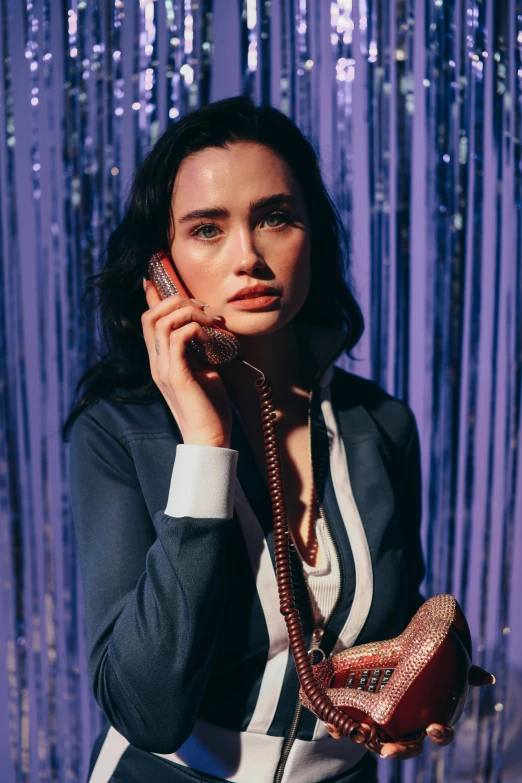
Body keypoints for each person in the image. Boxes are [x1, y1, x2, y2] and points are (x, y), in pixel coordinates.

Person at [63, 95, 455, 783]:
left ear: (312, 234)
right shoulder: (116, 429)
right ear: (163, 267)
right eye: (208, 229)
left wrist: (413, 691)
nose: (249, 255)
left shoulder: (382, 423)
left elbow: (392, 621)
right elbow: (147, 709)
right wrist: (205, 445)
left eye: (276, 217)